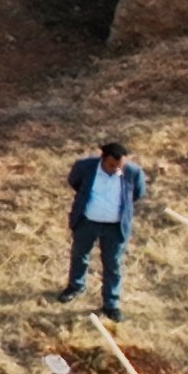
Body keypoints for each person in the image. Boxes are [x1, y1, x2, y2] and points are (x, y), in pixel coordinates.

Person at [61, 135, 149, 317]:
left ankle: (111, 303)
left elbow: (137, 193)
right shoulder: (85, 167)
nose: (116, 169)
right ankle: (76, 286)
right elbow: (75, 182)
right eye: (111, 166)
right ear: (103, 158)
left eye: (119, 166)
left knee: (113, 264)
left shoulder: (133, 172)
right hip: (87, 221)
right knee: (79, 254)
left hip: (114, 227)